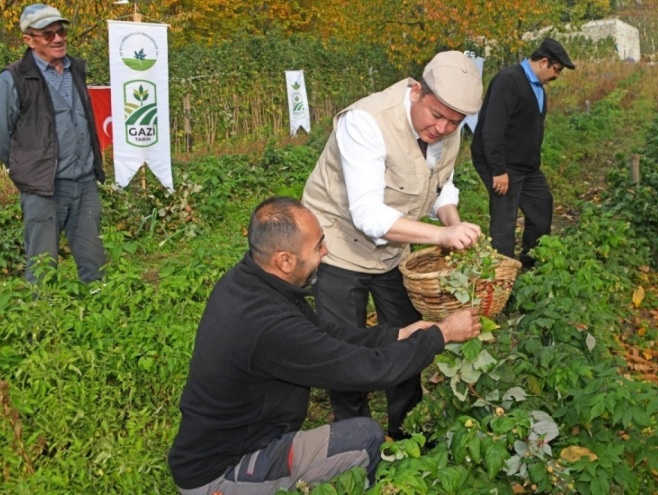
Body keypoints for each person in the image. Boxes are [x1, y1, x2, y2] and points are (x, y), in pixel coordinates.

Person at [168, 196, 482, 494]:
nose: (326, 252)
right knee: (364, 438)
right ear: (286, 261)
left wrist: (398, 334)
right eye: (318, 246)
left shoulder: (249, 282)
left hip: (240, 441)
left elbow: (325, 333)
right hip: (222, 473)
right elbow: (367, 370)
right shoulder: (269, 326)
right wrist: (441, 335)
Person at [302, 51, 483, 440]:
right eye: (437, 115)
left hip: (392, 251)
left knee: (410, 334)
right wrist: (440, 236)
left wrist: (451, 218)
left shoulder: (446, 131)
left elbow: (440, 182)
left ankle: (407, 430)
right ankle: (354, 438)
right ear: (417, 90)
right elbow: (367, 215)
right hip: (337, 245)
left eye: (455, 122)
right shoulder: (367, 122)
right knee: (344, 345)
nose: (444, 127)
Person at [0, 3, 107, 284]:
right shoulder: (13, 79)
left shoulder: (75, 69)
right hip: (44, 188)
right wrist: (27, 170)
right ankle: (42, 321)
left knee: (95, 262)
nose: (58, 38)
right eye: (47, 34)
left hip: (85, 183)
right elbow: (0, 136)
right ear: (29, 40)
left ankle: (100, 318)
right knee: (42, 265)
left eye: (61, 31)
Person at [470, 37, 574, 269]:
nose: (557, 76)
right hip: (502, 164)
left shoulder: (537, 87)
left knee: (541, 209)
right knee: (504, 221)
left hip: (527, 167)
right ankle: (502, 278)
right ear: (544, 62)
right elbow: (492, 129)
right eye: (557, 70)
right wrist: (498, 170)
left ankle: (529, 266)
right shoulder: (509, 81)